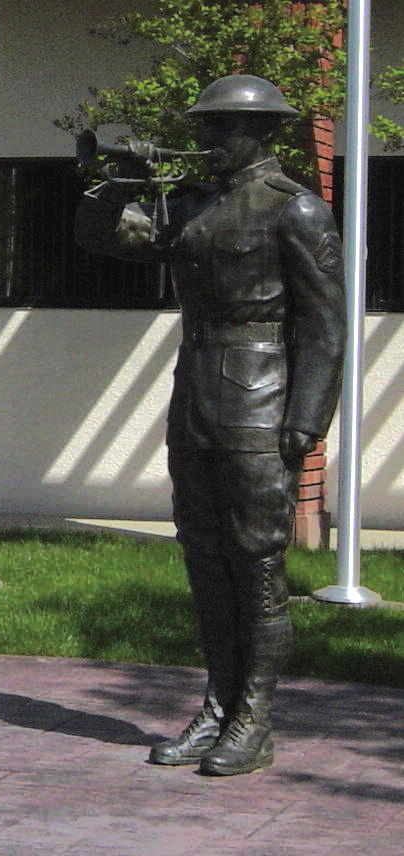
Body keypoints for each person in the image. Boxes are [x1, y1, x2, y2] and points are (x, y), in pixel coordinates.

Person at [75, 76, 345, 775]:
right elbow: (101, 238)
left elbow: (324, 327)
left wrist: (305, 422)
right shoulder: (193, 205)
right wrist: (113, 183)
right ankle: (217, 707)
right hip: (195, 395)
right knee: (203, 557)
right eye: (206, 127)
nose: (207, 140)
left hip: (261, 400)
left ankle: (254, 717)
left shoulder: (295, 210)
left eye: (221, 127)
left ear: (263, 133)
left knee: (257, 563)